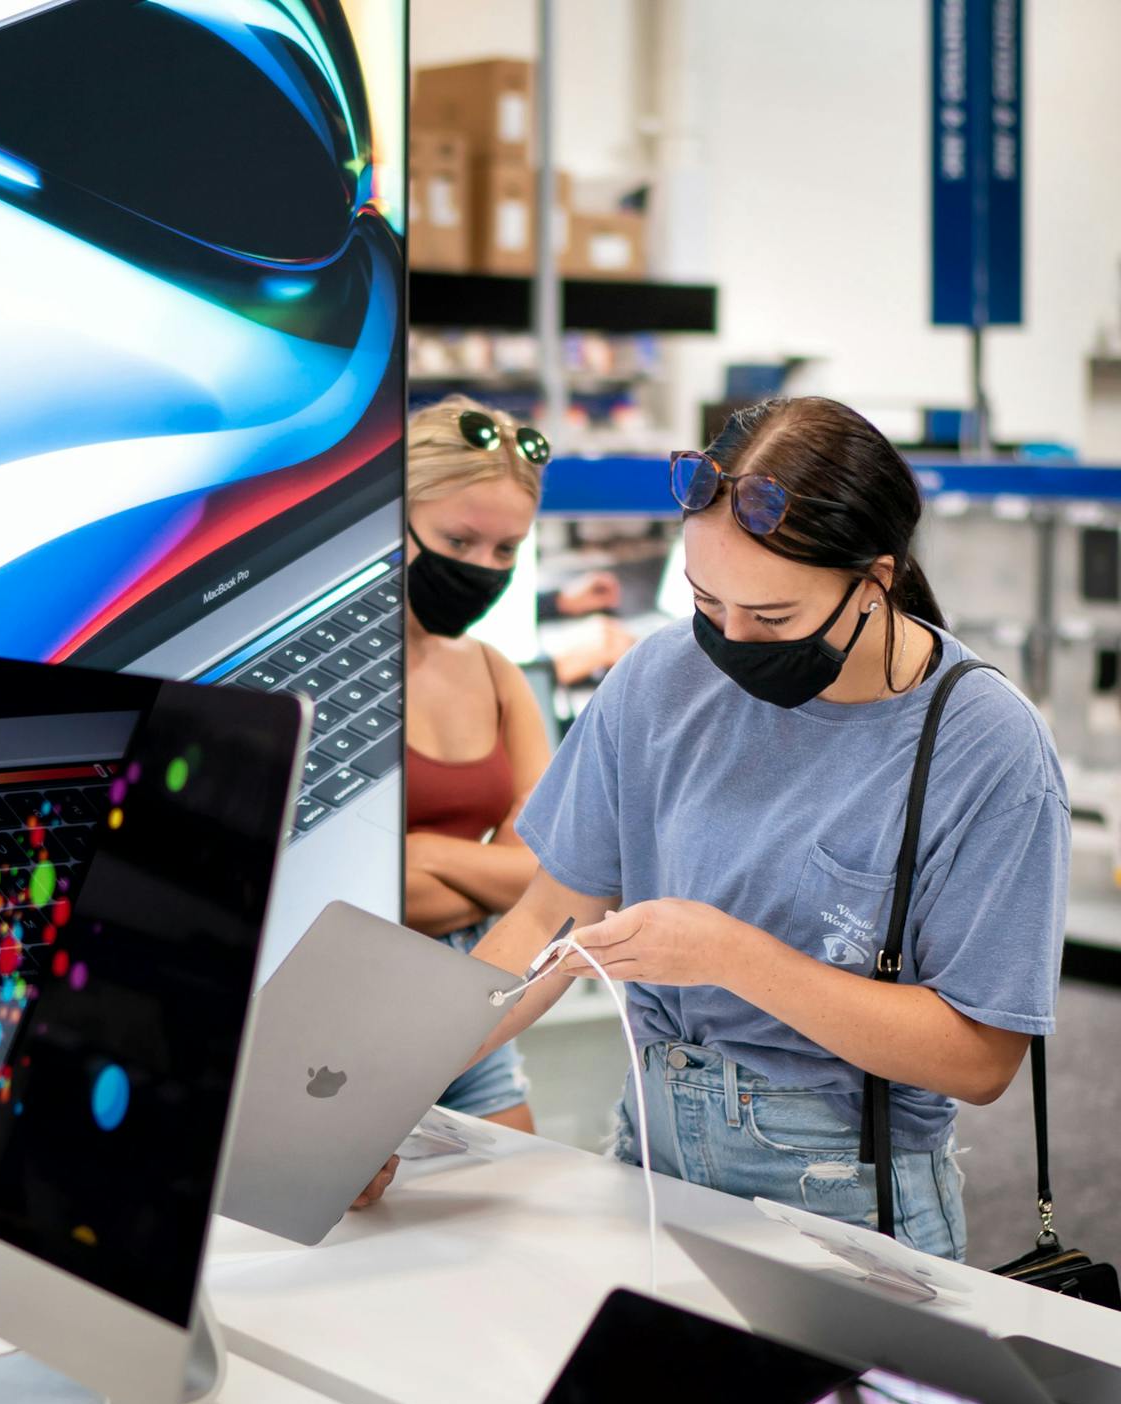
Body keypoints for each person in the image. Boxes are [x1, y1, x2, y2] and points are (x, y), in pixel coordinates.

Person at [360, 397, 1069, 1255]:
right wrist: (381, 1096)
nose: (728, 642)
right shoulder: (662, 676)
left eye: (771, 619)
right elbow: (547, 924)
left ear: (874, 583)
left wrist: (729, 957)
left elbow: (981, 1057)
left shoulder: (982, 746)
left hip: (846, 1206)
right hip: (647, 1166)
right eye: (705, 601)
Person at [403, 396, 555, 1133]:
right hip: (343, 987)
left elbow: (555, 874)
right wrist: (492, 877)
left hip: (474, 981)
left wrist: (425, 852)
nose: (481, 569)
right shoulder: (326, 674)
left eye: (504, 552)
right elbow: (350, 890)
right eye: (457, 541)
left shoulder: (497, 674)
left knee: (511, 1210)